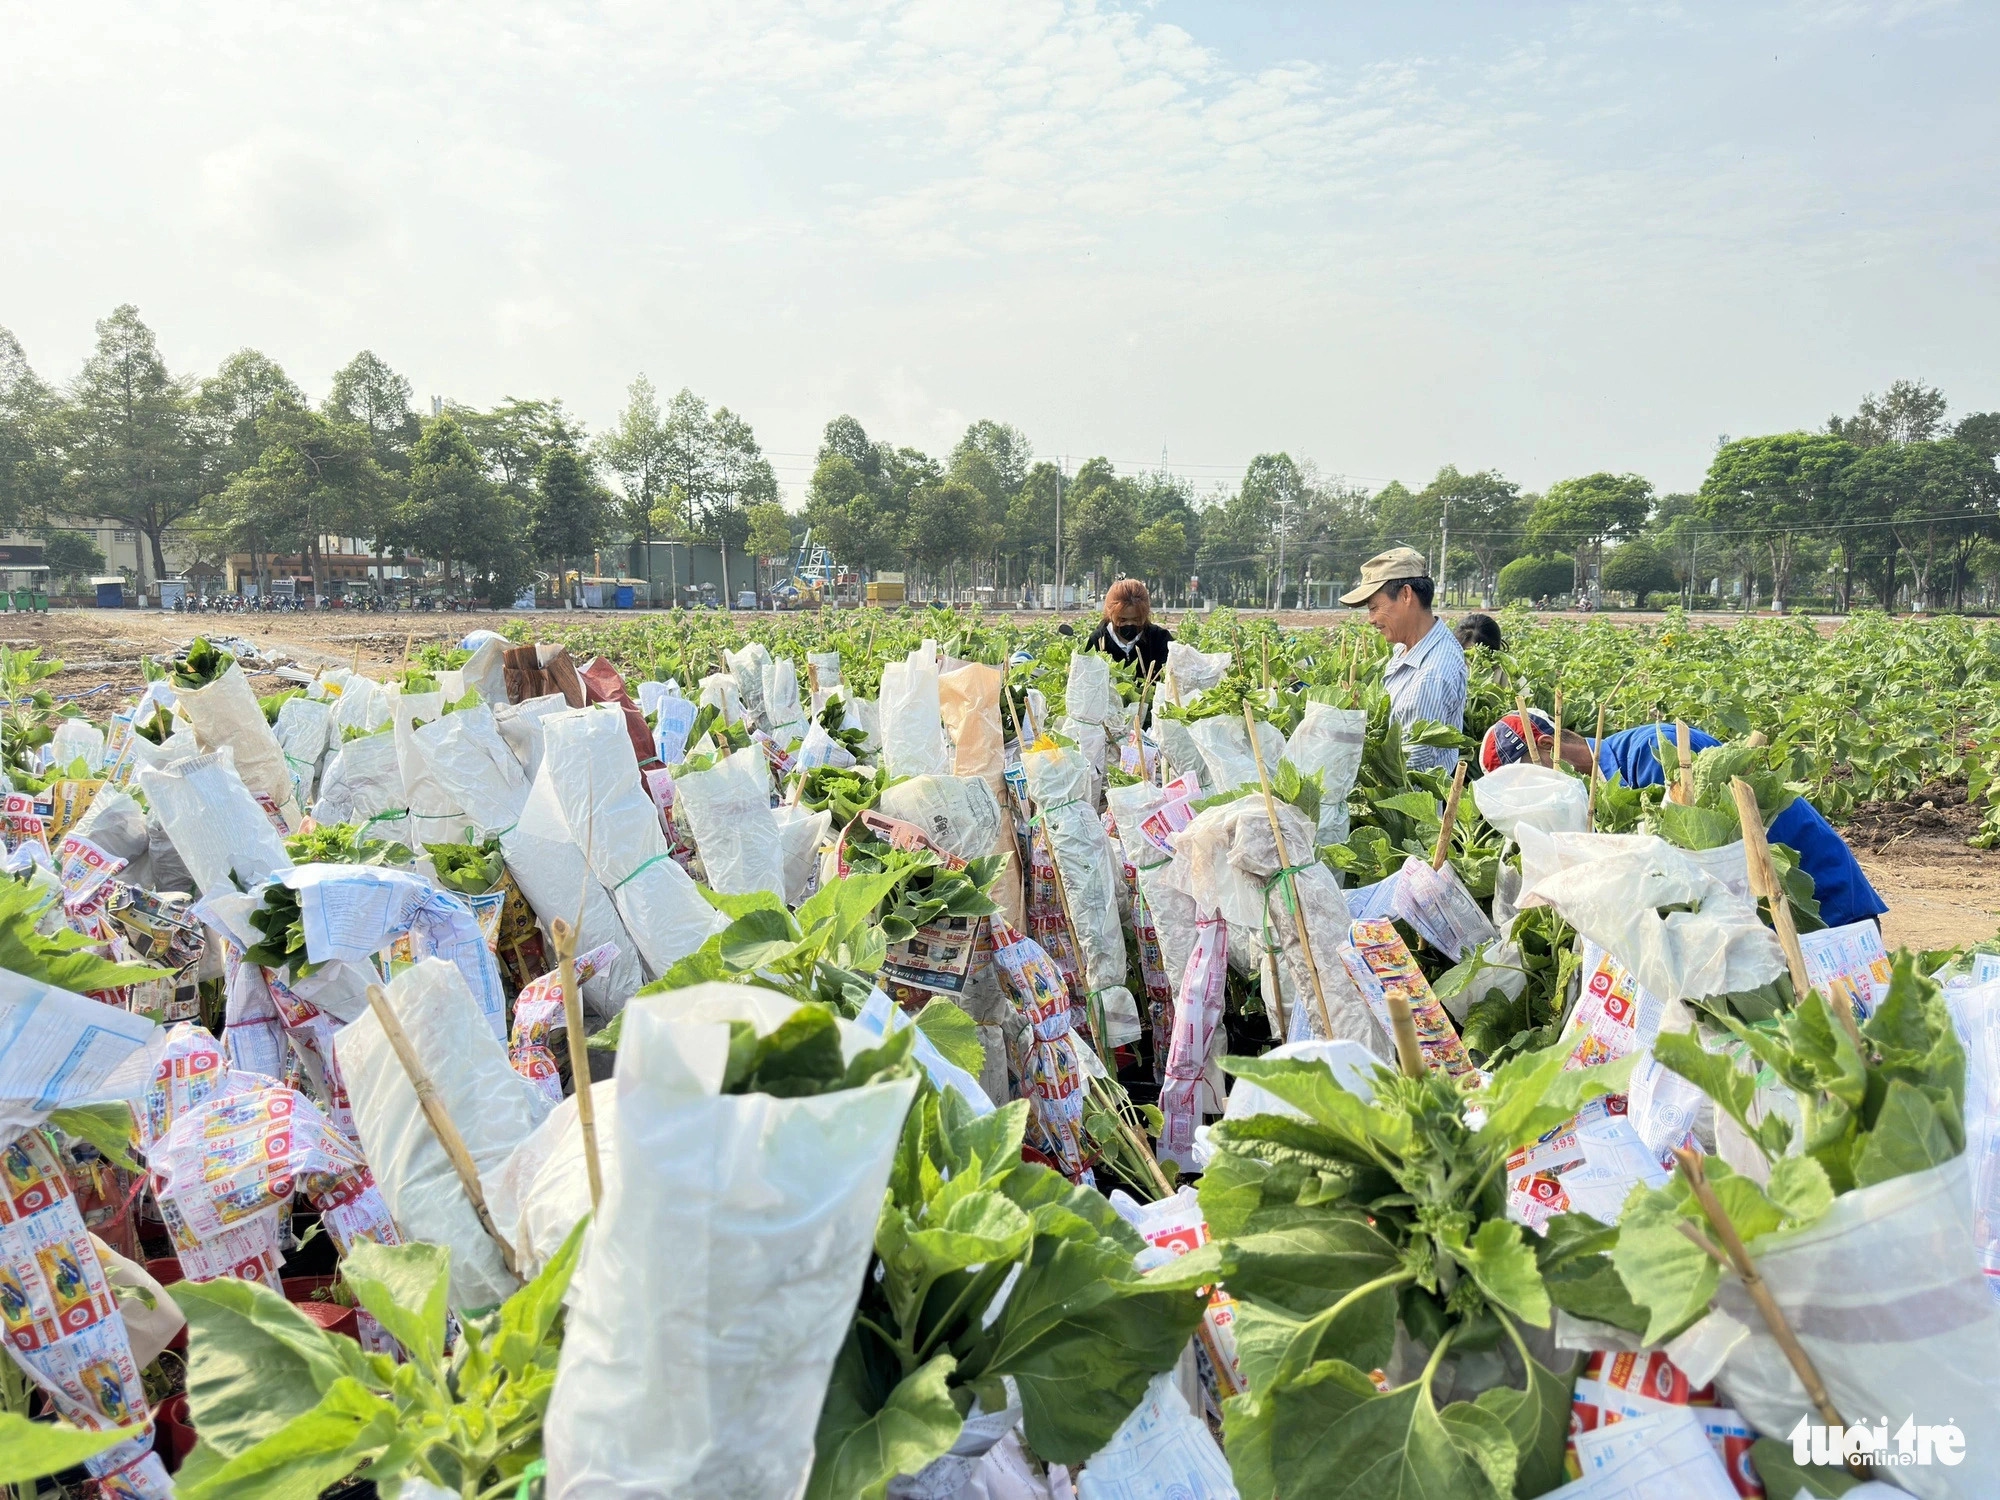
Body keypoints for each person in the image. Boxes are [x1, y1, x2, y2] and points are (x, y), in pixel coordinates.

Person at [1478, 711, 1888, 931]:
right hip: (1768, 924)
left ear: (1548, 746)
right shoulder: (1598, 792)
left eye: (1533, 780)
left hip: (1822, 913)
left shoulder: (1657, 753)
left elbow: (1681, 879)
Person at [1342, 546, 1467, 773]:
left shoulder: (1432, 673)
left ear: (1406, 595)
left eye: (1374, 607)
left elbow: (1408, 763)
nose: (1370, 619)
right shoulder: (1407, 648)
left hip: (1407, 805)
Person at [1084, 579, 1171, 682]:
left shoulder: (1160, 638)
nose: (1129, 624)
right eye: (1122, 620)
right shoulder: (1096, 641)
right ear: (1110, 614)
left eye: (1136, 619)